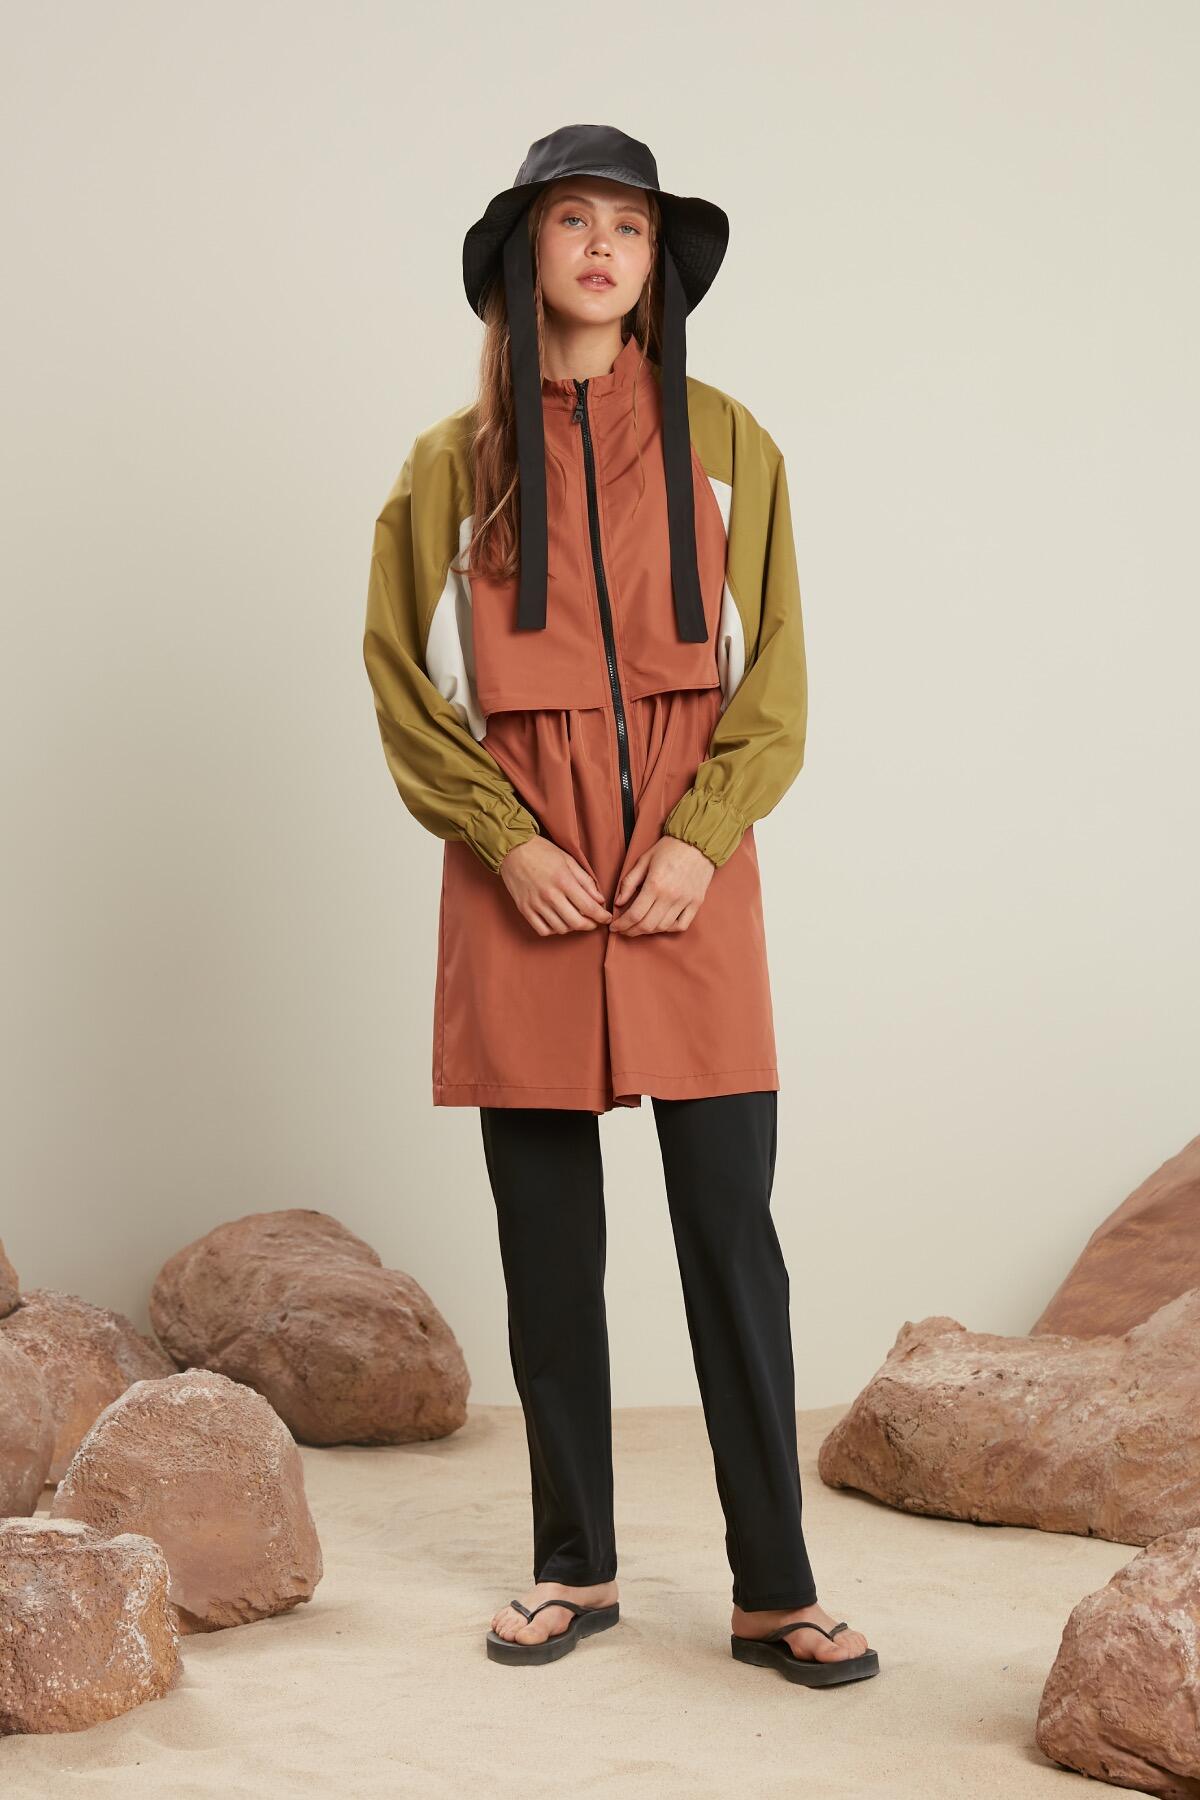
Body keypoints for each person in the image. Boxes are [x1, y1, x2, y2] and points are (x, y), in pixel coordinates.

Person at [362, 124, 879, 1687]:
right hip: (521, 881)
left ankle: (774, 1589)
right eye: (574, 220)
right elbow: (403, 684)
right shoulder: (449, 468)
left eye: (631, 227)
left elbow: (774, 675)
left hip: (683, 872)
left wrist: (702, 842)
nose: (601, 247)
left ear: (657, 268)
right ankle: (572, 1566)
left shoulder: (729, 445)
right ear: (526, 253)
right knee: (548, 1247)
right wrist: (504, 841)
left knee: (730, 1233)